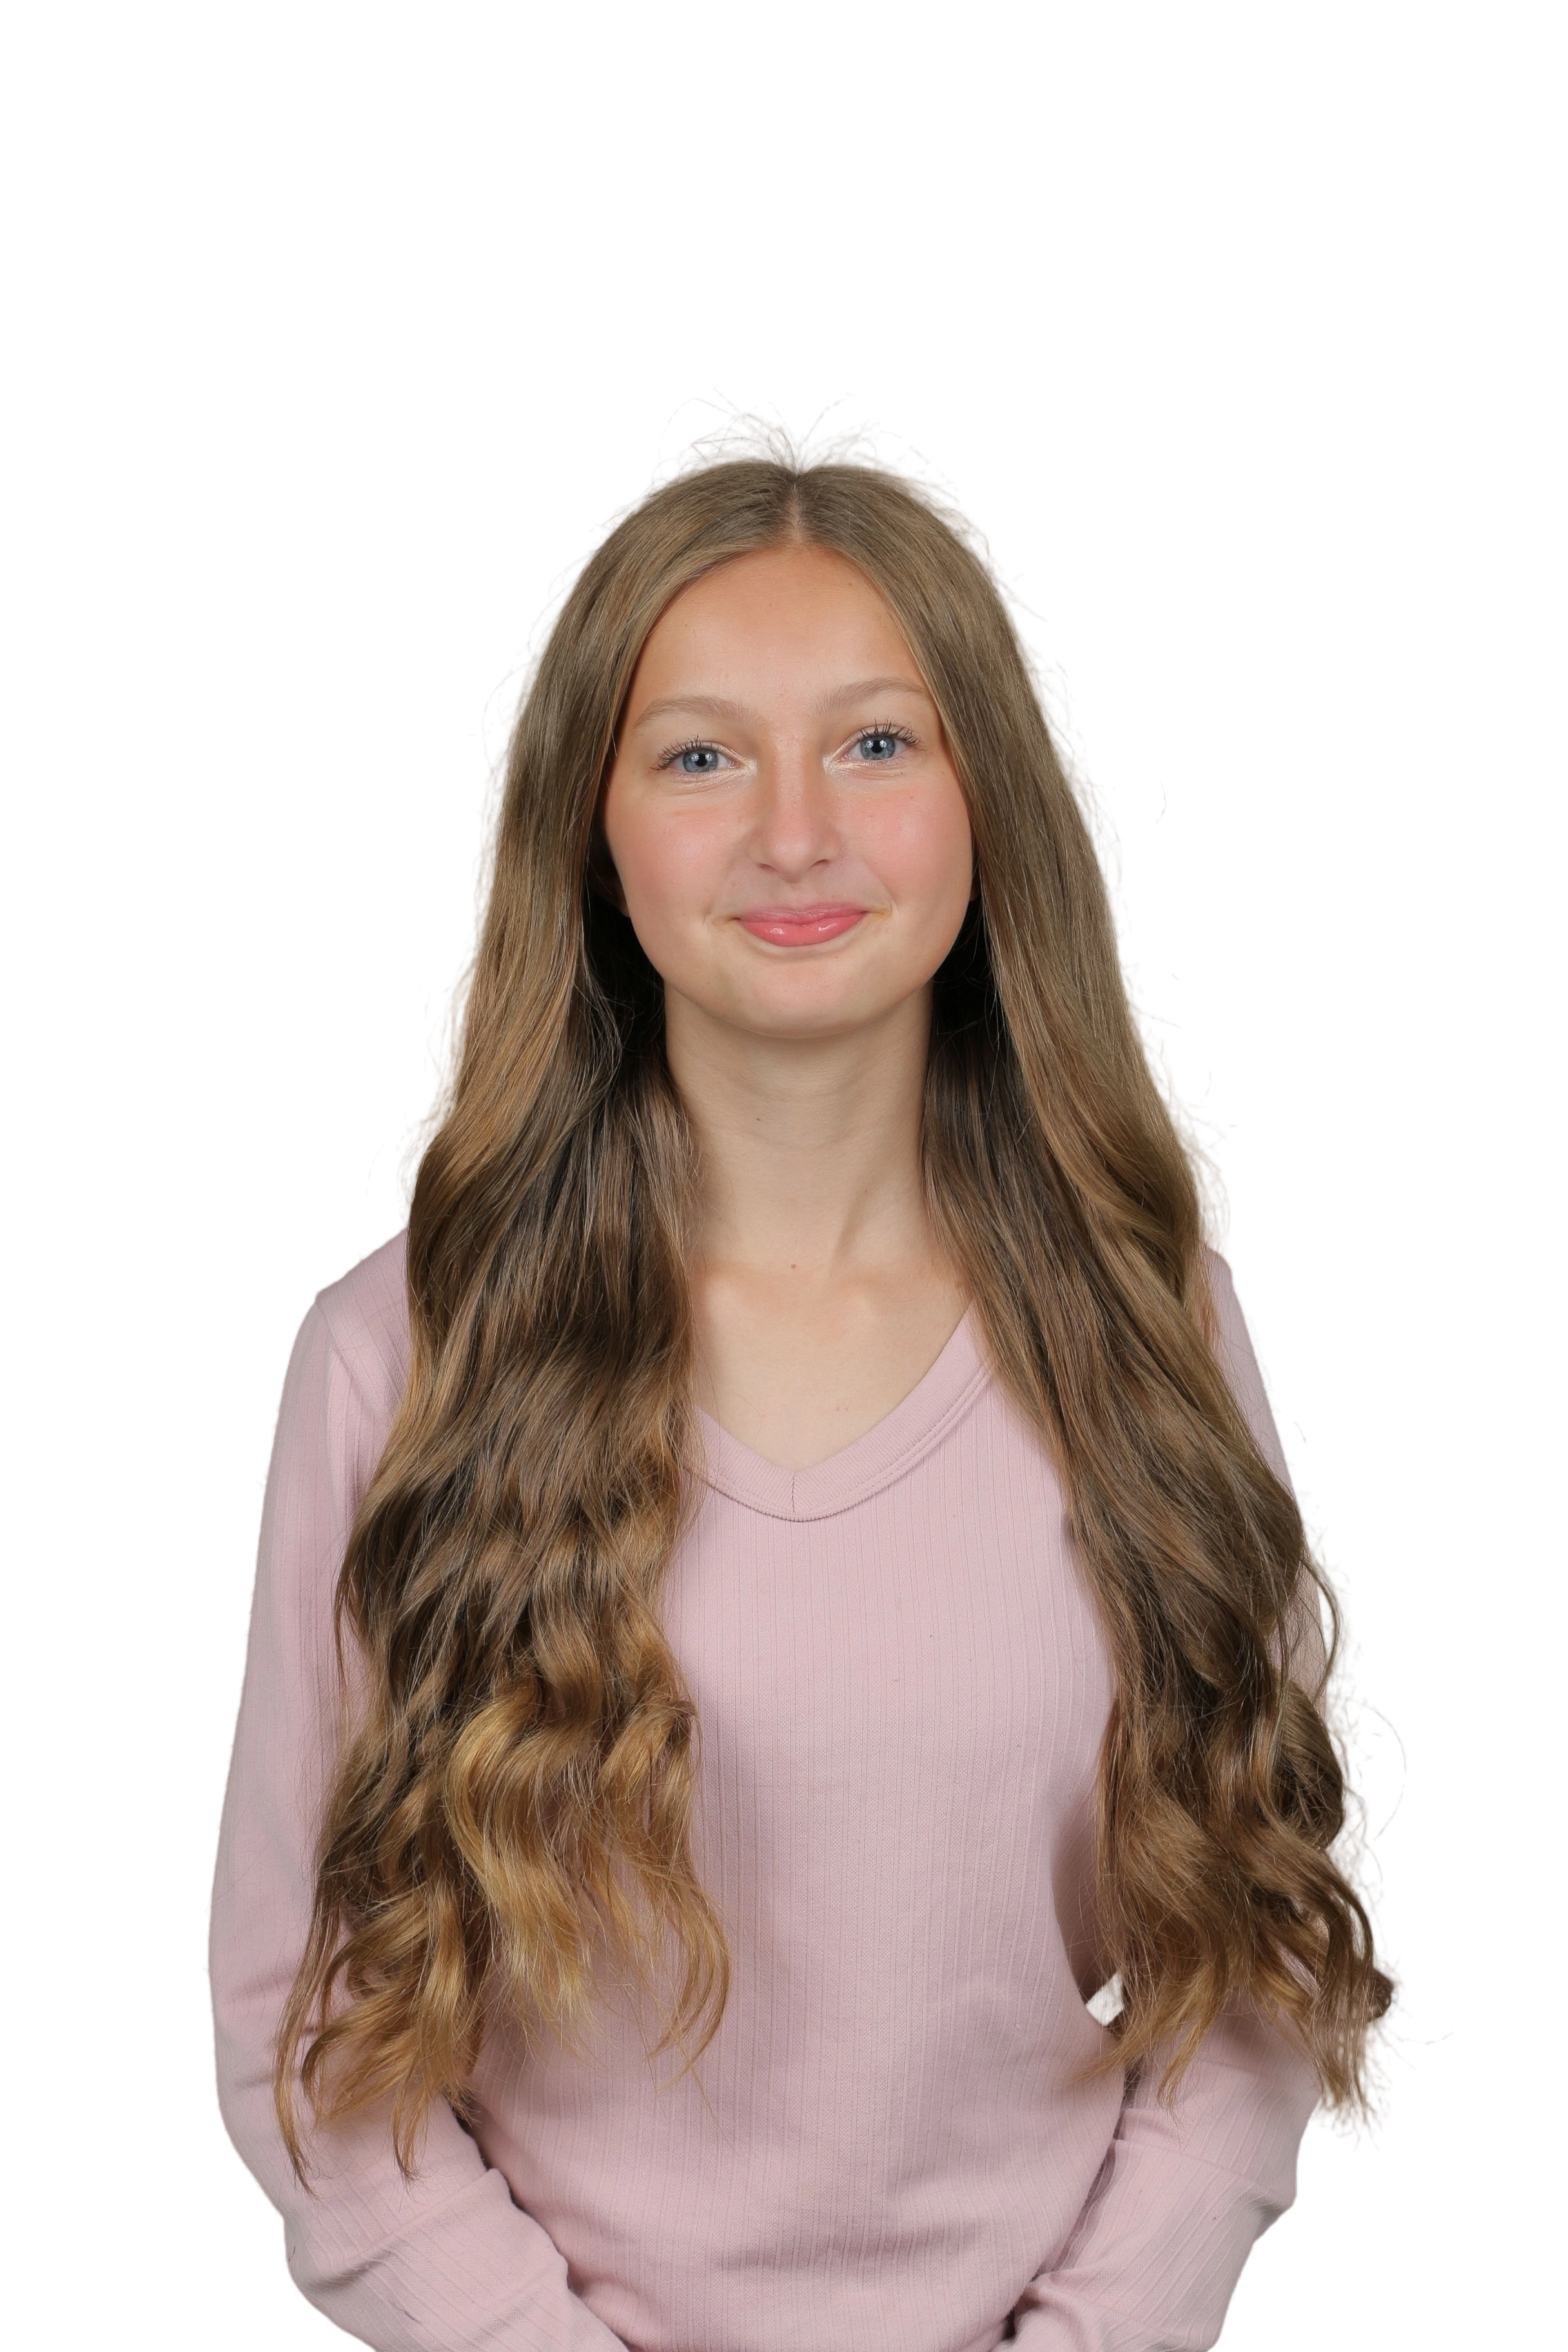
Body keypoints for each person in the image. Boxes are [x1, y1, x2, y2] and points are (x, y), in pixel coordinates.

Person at [204, 392, 1407, 2352]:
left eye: (875, 741)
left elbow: (1263, 1956)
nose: (794, 834)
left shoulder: (1160, 1327)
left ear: (985, 798)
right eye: (700, 754)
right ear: (590, 828)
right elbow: (310, 2017)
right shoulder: (395, 1360)